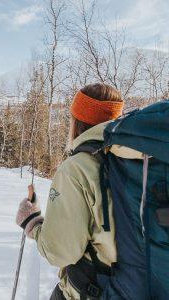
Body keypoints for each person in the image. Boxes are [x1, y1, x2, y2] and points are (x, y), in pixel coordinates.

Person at [16, 83, 124, 300]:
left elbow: (61, 252)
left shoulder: (77, 169)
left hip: (95, 290)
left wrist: (32, 223)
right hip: (139, 286)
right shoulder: (136, 160)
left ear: (78, 122)